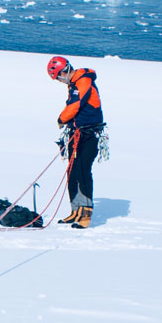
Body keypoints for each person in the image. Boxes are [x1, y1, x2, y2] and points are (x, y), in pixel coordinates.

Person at [46, 55, 105, 229]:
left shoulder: (83, 82)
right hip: (76, 133)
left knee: (83, 171)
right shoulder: (74, 85)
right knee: (72, 172)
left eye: (58, 77)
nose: (59, 81)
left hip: (89, 134)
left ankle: (86, 213)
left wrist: (61, 118)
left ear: (64, 71)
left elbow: (77, 105)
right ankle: (76, 210)